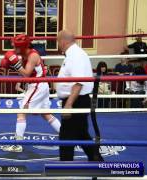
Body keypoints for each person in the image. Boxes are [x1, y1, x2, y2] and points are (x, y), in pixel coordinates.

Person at [1, 34, 61, 152]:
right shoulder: (24, 54)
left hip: (37, 85)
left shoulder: (32, 55)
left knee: (21, 112)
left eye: (17, 46)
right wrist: (13, 65)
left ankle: (17, 145)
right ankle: (66, 135)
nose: (14, 48)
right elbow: (23, 72)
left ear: (22, 47)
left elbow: (26, 74)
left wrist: (14, 63)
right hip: (39, 85)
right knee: (46, 114)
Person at [56, 30, 103, 161]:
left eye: (58, 41)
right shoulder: (72, 54)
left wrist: (69, 105)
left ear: (63, 41)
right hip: (76, 99)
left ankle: (65, 168)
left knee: (66, 135)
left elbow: (78, 82)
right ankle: (97, 160)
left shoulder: (76, 55)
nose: (58, 44)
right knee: (81, 134)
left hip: (76, 100)